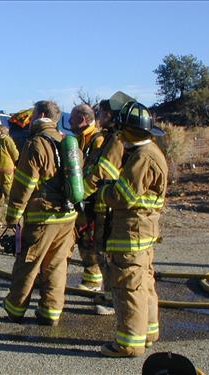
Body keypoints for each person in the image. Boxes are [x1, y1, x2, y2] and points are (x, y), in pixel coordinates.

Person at [99, 101, 167, 357]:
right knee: (144, 283)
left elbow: (122, 196)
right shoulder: (151, 152)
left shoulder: (142, 157)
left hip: (131, 232)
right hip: (144, 231)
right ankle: (148, 332)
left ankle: (129, 343)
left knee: (129, 286)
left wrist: (104, 191)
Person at [3, 100, 78, 326]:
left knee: (29, 262)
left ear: (42, 114)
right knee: (56, 264)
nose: (31, 118)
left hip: (43, 216)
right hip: (68, 216)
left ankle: (15, 309)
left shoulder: (36, 144)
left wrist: (13, 215)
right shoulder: (68, 142)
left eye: (33, 114)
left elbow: (24, 184)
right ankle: (50, 312)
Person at [82, 99, 125, 315]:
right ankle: (108, 295)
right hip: (102, 203)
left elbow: (102, 172)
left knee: (108, 253)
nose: (100, 116)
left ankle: (111, 301)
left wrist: (79, 192)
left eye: (103, 113)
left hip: (109, 206)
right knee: (100, 250)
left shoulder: (117, 141)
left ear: (112, 115)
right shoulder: (108, 138)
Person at [69, 104, 105, 292]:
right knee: (84, 240)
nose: (69, 122)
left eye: (72, 118)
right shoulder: (79, 140)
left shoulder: (97, 141)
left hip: (94, 200)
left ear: (83, 119)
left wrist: (82, 194)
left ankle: (93, 283)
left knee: (91, 242)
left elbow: (96, 173)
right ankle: (90, 279)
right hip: (83, 200)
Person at [0, 124, 19, 206]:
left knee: (7, 185)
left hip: (7, 167)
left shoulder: (7, 140)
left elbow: (14, 152)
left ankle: (9, 202)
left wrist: (17, 162)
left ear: (1, 130)